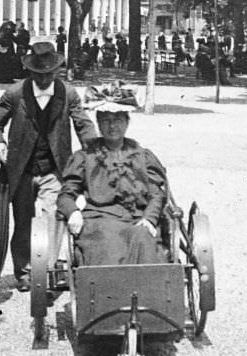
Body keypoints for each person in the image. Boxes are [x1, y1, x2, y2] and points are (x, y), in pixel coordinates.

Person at [0, 41, 98, 291]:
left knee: (53, 217)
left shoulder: (68, 94)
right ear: (31, 72)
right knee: (23, 221)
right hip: (21, 170)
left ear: (56, 71)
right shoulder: (15, 94)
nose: (45, 79)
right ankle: (24, 271)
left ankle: (48, 269)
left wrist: (96, 151)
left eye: (49, 74)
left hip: (53, 169)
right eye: (39, 74)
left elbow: (83, 125)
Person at [58, 102, 167, 267]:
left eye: (118, 120)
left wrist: (150, 218)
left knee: (144, 240)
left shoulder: (143, 157)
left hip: (136, 220)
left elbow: (156, 194)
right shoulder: (85, 157)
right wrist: (73, 212)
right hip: (99, 221)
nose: (112, 126)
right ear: (99, 124)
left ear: (127, 122)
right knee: (107, 244)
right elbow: (66, 195)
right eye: (106, 120)